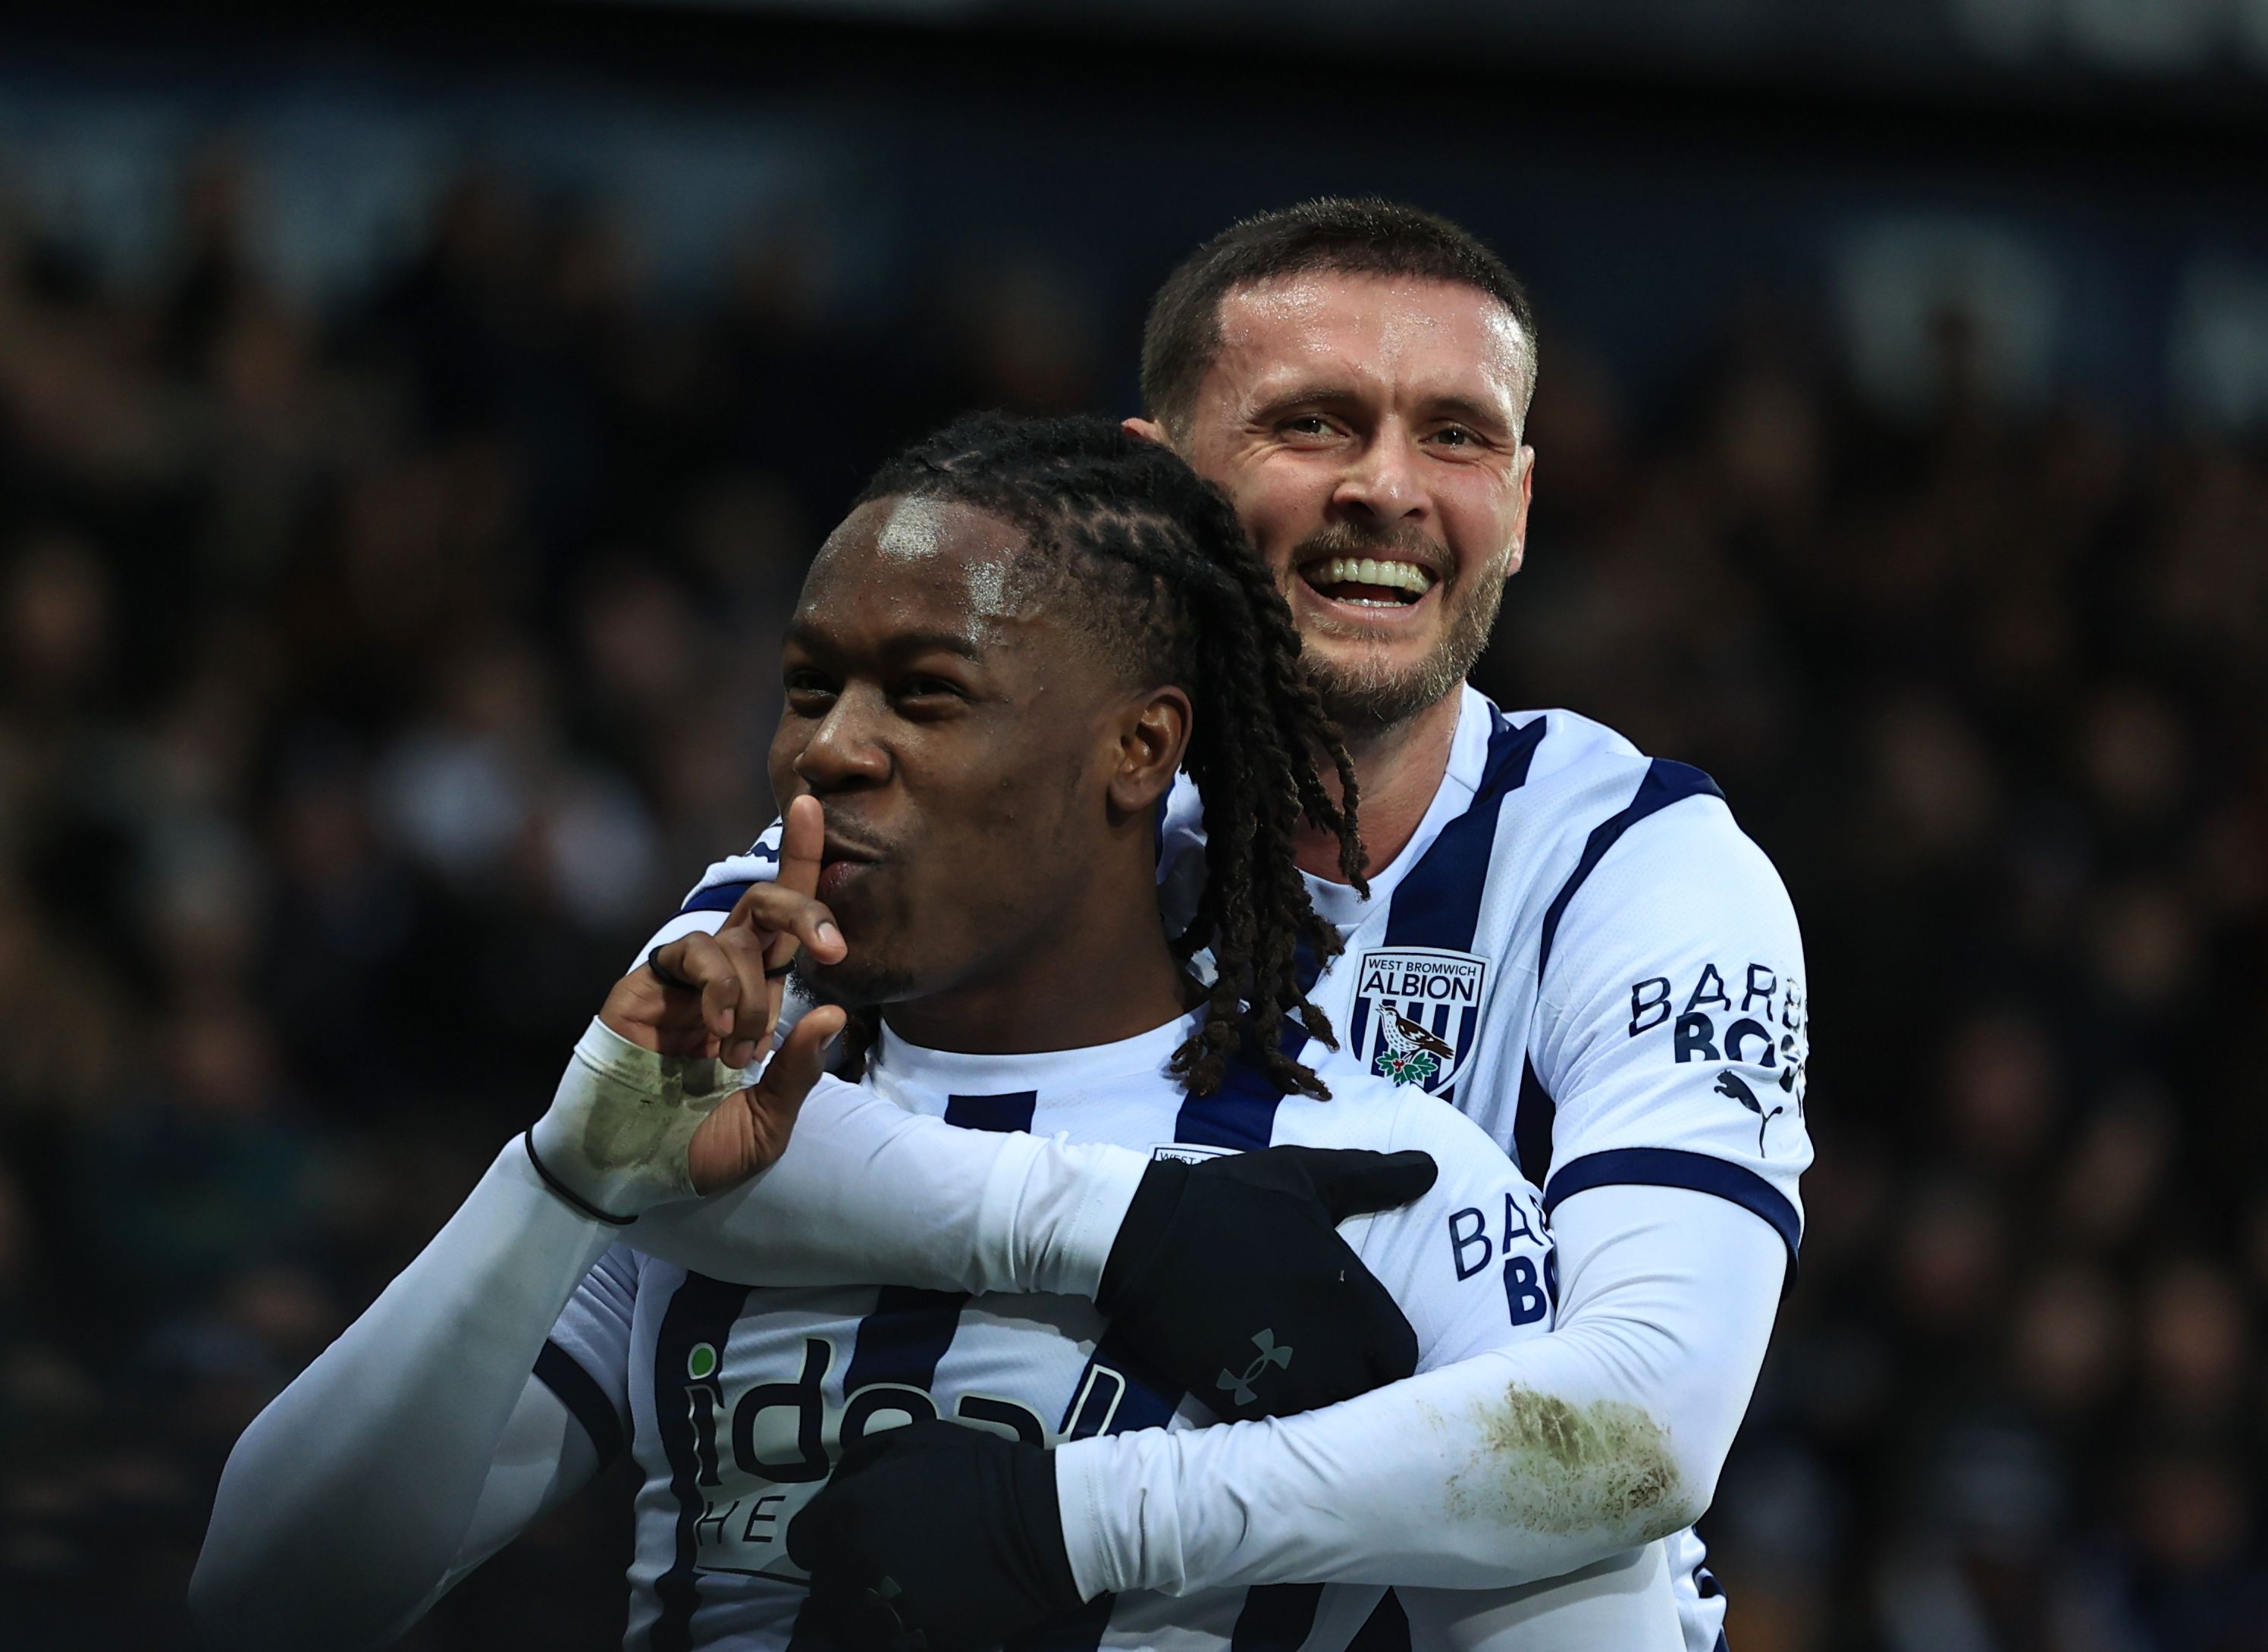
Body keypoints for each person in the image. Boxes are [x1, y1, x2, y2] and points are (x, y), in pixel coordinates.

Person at [193, 414, 1671, 1650]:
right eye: (808, 688)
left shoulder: (1386, 1179)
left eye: (926, 693)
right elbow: (265, 1602)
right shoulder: (720, 1137)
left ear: (1137, 746)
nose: (830, 747)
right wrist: (561, 1177)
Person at [670, 199, 1810, 1652]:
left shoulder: (1642, 869)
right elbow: (653, 1105)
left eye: (1455, 437)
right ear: (1162, 493)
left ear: (1520, 507)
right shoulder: (1017, 786)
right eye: (1313, 424)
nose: (1388, 489)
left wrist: (1081, 1521)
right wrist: (1129, 1228)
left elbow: (1645, 1425)